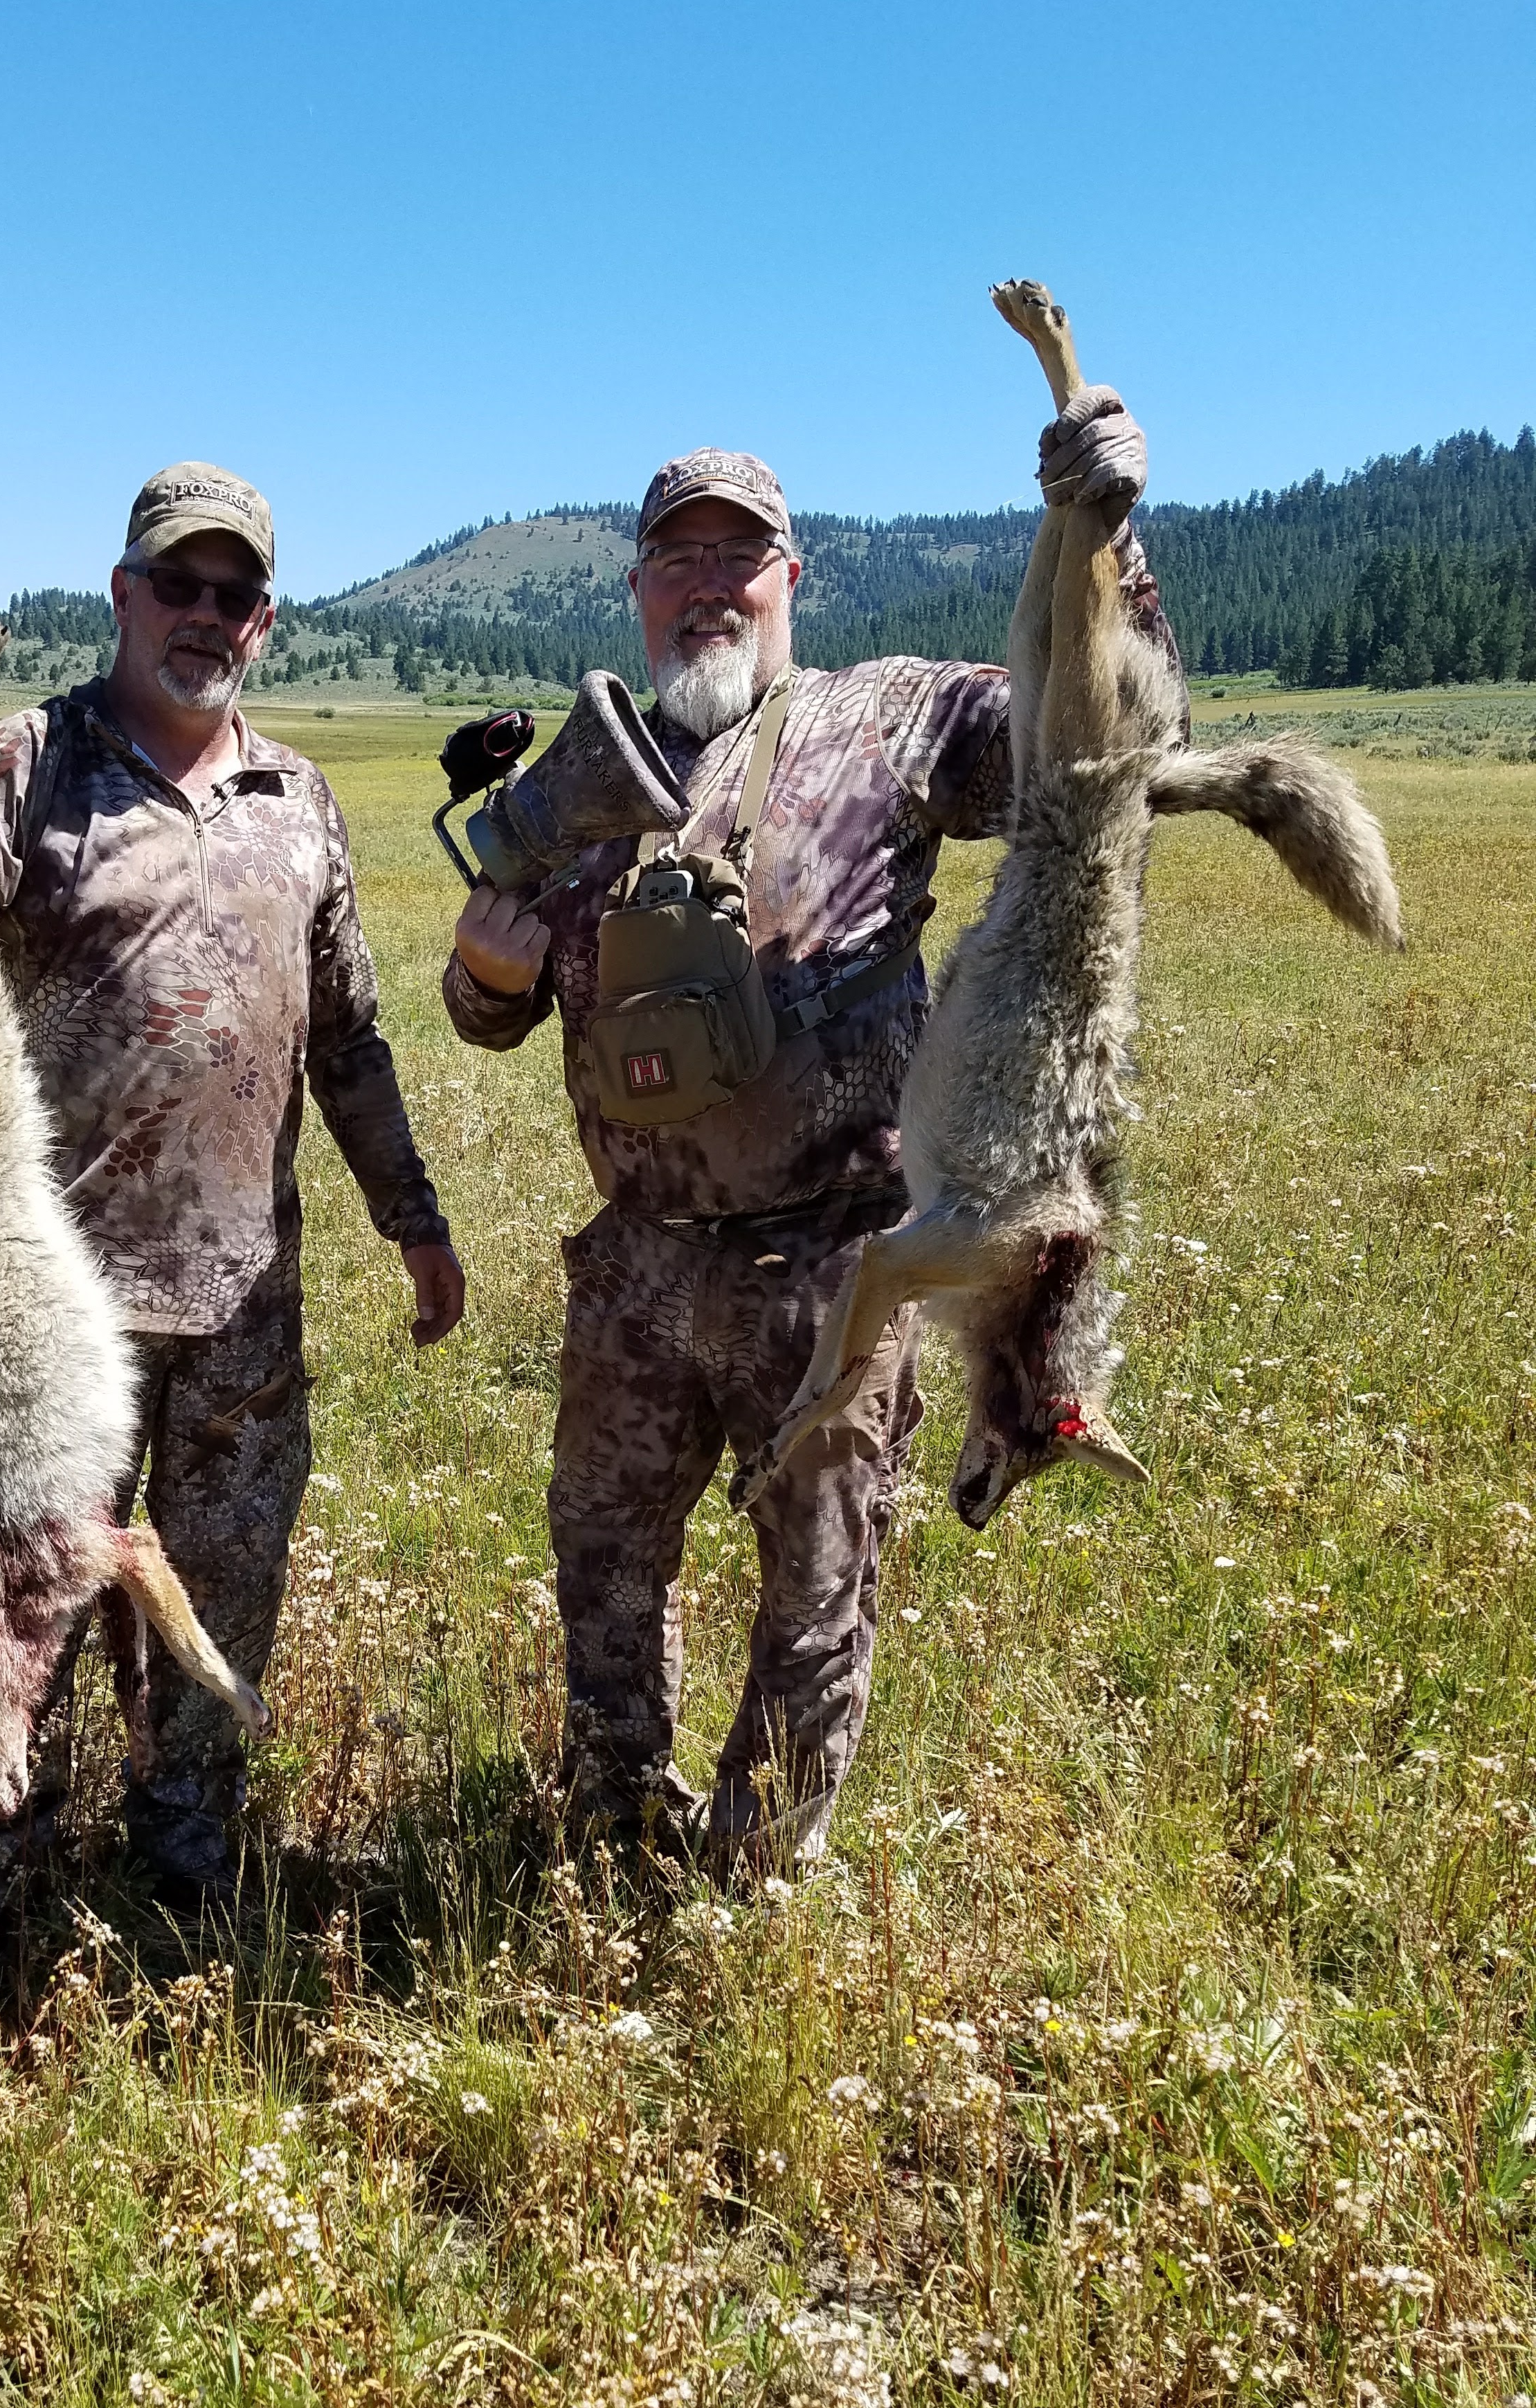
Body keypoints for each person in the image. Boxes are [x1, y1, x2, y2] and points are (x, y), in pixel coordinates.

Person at [442, 408, 1182, 1865]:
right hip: (637, 1267)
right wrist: (489, 972)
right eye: (678, 558)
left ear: (796, 577)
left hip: (834, 1266)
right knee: (602, 1562)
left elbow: (1097, 736)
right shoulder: (576, 784)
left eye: (742, 554)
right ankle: (613, 1819)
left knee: (819, 1583)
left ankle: (759, 1872)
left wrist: (1105, 542)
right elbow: (481, 1015)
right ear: (638, 589)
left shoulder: (894, 718)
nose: (709, 581)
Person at [0, 461, 465, 1902]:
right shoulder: (20, 768)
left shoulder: (300, 800)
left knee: (227, 1598)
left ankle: (187, 1875)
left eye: (231, 593)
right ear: (124, 595)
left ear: (263, 621)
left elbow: (352, 1040)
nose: (202, 613)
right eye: (175, 585)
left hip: (246, 1303)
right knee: (19, 1606)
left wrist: (414, 1219)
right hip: (50, 1316)